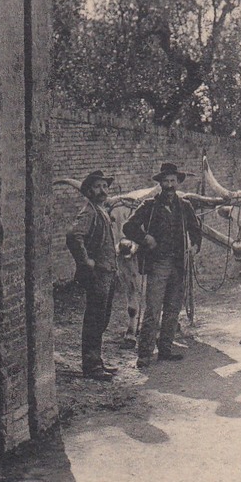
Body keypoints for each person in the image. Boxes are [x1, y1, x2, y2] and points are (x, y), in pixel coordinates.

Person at [123, 161, 202, 366]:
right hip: (157, 265)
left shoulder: (184, 206)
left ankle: (165, 349)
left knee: (173, 308)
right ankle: (145, 353)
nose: (169, 185)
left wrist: (194, 247)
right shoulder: (149, 206)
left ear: (177, 183)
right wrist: (145, 238)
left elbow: (195, 229)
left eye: (172, 181)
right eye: (165, 181)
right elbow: (128, 226)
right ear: (160, 184)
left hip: (178, 264)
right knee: (153, 309)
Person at [66, 169, 119, 382]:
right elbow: (73, 235)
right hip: (98, 274)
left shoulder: (100, 210)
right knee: (94, 319)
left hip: (108, 273)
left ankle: (97, 361)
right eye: (97, 187)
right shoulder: (89, 211)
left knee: (102, 319)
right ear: (88, 191)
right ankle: (92, 366)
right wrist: (85, 260)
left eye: (105, 186)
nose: (102, 190)